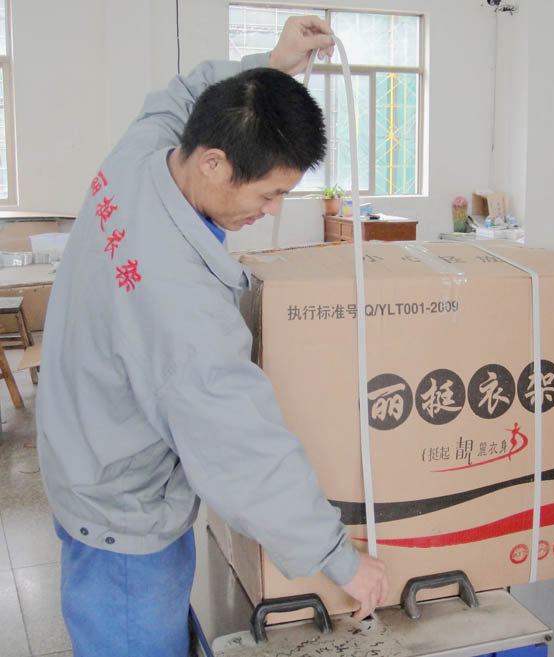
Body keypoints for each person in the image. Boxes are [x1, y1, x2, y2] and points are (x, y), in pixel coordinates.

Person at [36, 16, 388, 657]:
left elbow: (185, 93)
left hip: (82, 447)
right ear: (214, 163)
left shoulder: (142, 155)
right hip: (124, 525)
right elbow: (241, 446)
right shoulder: (181, 306)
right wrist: (338, 557)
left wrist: (273, 66)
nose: (274, 210)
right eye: (270, 193)